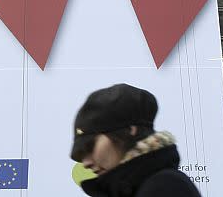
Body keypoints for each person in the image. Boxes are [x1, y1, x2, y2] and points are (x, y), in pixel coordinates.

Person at [70, 83, 203, 197]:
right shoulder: (142, 186)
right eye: (81, 154)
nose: (86, 163)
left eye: (89, 146)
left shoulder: (165, 188)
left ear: (129, 130)